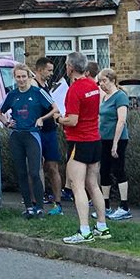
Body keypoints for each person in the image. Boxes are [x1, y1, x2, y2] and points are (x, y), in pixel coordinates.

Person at [57, 52, 110, 244]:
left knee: (77, 186)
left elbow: (72, 120)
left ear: (70, 67)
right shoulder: (92, 85)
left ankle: (84, 230)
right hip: (94, 139)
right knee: (93, 184)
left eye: (66, 65)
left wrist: (58, 119)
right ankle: (102, 226)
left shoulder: (75, 89)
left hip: (79, 141)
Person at [0, 63, 58, 218]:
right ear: (14, 78)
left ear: (29, 77)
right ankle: (28, 207)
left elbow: (55, 108)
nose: (21, 80)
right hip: (16, 136)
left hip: (32, 135)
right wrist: (6, 123)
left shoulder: (37, 92)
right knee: (21, 173)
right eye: (18, 77)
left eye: (24, 76)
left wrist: (42, 119)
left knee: (34, 172)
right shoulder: (12, 95)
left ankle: (39, 208)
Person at [97, 69, 131, 220]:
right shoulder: (104, 97)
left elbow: (121, 121)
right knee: (104, 171)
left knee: (118, 170)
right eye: (100, 81)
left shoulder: (120, 97)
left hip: (118, 139)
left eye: (104, 81)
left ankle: (124, 206)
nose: (102, 84)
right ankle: (105, 205)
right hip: (104, 139)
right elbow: (101, 118)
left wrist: (115, 144)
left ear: (113, 80)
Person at [33, 58, 64, 215]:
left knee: (53, 166)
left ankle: (57, 203)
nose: (51, 73)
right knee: (36, 167)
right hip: (37, 131)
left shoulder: (46, 86)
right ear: (40, 70)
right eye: (49, 70)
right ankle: (37, 203)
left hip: (50, 130)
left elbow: (54, 107)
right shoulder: (34, 85)